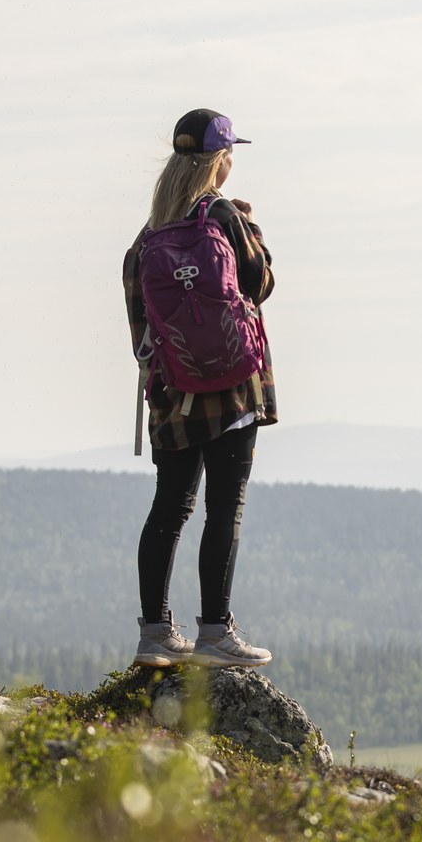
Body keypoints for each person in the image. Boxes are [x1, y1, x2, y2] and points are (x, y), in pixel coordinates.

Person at [122, 108, 278, 668]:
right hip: (233, 389)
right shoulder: (222, 215)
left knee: (170, 506)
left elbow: (139, 315)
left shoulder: (150, 232)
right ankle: (215, 631)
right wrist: (251, 227)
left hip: (171, 391)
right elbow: (261, 283)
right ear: (220, 161)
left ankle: (155, 632)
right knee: (224, 507)